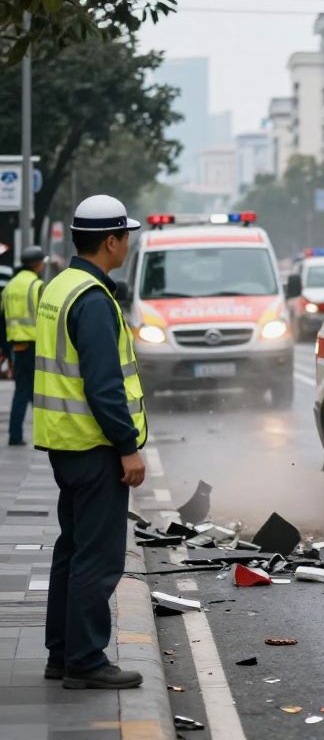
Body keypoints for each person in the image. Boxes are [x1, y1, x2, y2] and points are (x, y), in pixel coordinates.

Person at [34, 195, 148, 690]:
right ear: (111, 241)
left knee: (72, 549)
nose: (128, 245)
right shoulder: (94, 300)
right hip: (95, 445)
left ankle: (61, 653)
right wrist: (128, 446)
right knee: (98, 557)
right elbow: (104, 387)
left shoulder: (60, 286)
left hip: (66, 444)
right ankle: (85, 660)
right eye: (126, 237)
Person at [1, 245, 45, 445]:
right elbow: (47, 318)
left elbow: (2, 320)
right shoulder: (37, 285)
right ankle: (37, 433)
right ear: (37, 264)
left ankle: (17, 434)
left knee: (24, 390)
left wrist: (6, 350)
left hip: (16, 347)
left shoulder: (9, 287)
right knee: (35, 392)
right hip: (35, 346)